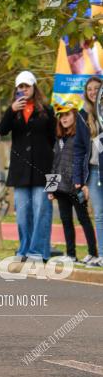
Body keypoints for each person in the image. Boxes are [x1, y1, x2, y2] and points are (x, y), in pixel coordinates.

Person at [0, 71, 56, 262]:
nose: (23, 90)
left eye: (27, 86)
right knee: (22, 214)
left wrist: (55, 177)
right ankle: (24, 250)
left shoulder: (47, 110)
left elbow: (54, 140)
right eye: (20, 87)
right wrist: (11, 110)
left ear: (34, 87)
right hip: (20, 171)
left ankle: (39, 252)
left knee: (42, 211)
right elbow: (1, 130)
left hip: (45, 170)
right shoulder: (13, 111)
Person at [49, 105, 98, 265]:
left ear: (75, 116)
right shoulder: (59, 139)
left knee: (84, 219)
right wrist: (51, 188)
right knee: (66, 220)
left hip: (76, 187)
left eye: (67, 114)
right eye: (61, 115)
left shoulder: (79, 136)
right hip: (60, 188)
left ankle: (93, 253)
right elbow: (54, 163)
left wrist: (83, 183)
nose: (63, 118)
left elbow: (84, 161)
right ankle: (71, 255)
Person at [73, 75, 103, 259]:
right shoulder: (82, 115)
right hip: (92, 172)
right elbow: (78, 148)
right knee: (99, 214)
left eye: (96, 88)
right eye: (89, 89)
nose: (92, 92)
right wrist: (78, 178)